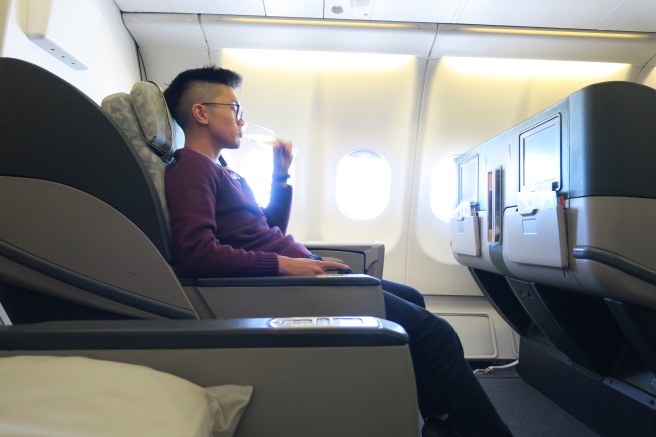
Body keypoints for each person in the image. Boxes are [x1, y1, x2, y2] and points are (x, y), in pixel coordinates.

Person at [163, 66, 512, 437]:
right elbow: (195, 253)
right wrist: (286, 266)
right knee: (437, 335)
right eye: (234, 108)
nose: (242, 118)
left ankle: (444, 419)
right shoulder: (190, 168)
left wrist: (281, 176)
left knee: (412, 298)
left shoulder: (224, 170)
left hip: (297, 276)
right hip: (282, 288)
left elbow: (266, 229)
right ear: (201, 113)